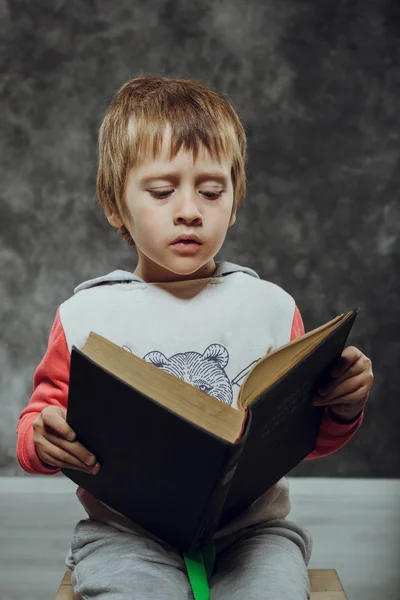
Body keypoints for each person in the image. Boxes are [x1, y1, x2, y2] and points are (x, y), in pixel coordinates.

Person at [16, 75, 374, 600]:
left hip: (252, 532)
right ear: (116, 206)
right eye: (162, 192)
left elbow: (307, 440)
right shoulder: (86, 314)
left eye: (211, 191)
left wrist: (343, 406)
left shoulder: (270, 307)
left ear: (233, 201)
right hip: (127, 535)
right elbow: (36, 424)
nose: (190, 210)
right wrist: (42, 440)